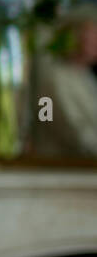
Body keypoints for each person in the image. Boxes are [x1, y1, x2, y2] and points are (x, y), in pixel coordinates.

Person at [37, 14, 97, 156]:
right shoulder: (54, 78)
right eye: (92, 36)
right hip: (61, 165)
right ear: (72, 38)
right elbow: (72, 129)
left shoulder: (85, 75)